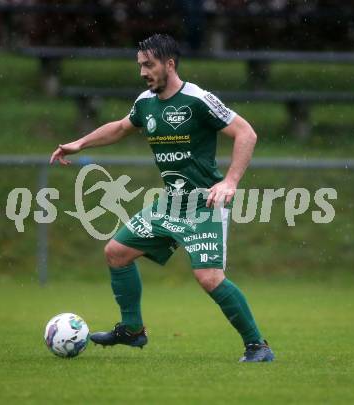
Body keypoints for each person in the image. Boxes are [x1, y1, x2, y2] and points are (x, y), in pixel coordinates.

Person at [50, 34, 274, 363]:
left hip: (203, 204)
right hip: (171, 203)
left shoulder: (197, 99)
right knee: (116, 252)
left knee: (210, 278)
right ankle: (132, 330)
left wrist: (230, 181)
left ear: (169, 64)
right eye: (140, 65)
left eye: (149, 65)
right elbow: (121, 127)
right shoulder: (145, 103)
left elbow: (246, 133)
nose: (143, 71)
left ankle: (258, 346)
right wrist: (79, 144)